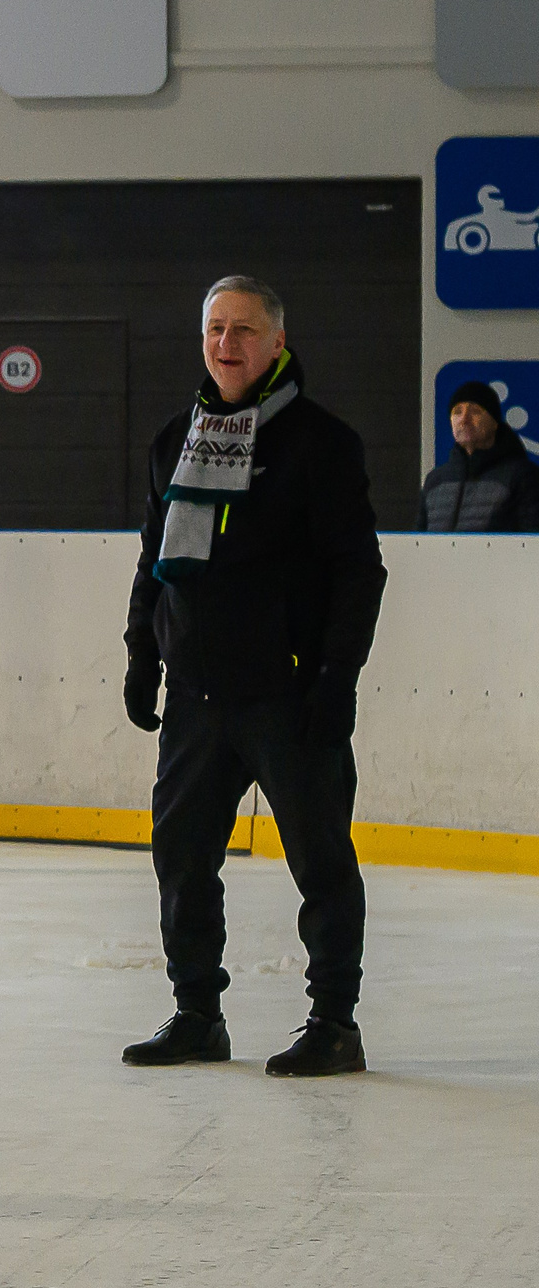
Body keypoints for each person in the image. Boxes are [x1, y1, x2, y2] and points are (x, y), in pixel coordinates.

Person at [120, 276, 386, 1077]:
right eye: (213, 330)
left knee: (320, 859)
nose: (226, 345)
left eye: (242, 331)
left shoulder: (319, 442)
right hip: (197, 698)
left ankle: (334, 1022)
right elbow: (153, 562)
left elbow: (357, 571)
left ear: (276, 342)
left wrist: (337, 677)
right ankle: (197, 1013)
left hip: (289, 693)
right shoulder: (177, 438)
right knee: (182, 858)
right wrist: (142, 654)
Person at [419, 381, 539, 533]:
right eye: (457, 412)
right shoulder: (434, 480)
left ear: (495, 422)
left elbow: (531, 544)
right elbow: (419, 542)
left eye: (475, 411)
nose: (464, 419)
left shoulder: (522, 476)